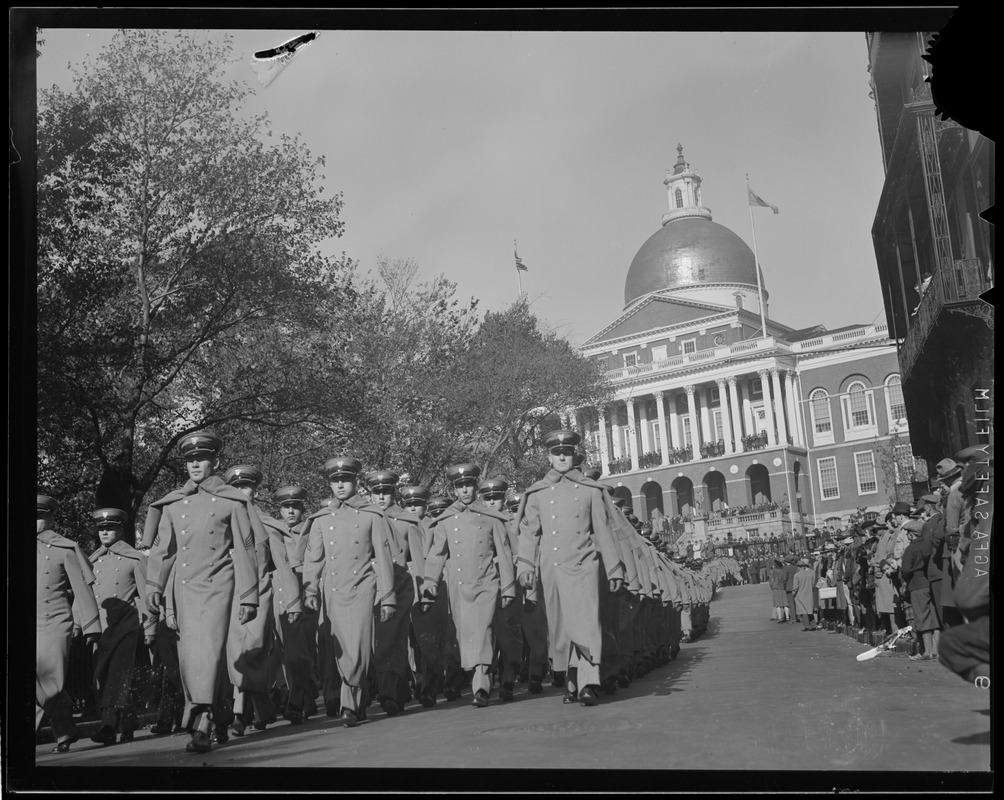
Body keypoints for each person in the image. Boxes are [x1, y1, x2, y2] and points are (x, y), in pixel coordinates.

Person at [145, 431, 260, 754]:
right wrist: (154, 587)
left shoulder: (231, 502)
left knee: (206, 655)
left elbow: (246, 548)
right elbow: (162, 552)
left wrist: (249, 596)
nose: (195, 464)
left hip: (218, 588)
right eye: (190, 460)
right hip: (183, 592)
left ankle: (202, 726)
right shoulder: (173, 505)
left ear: (216, 462)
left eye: (201, 459)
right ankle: (220, 716)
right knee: (191, 660)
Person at [514, 430, 625, 706]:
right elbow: (529, 533)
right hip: (553, 570)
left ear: (575, 454)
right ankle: (574, 680)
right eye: (556, 453)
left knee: (586, 623)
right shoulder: (538, 492)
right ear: (548, 457)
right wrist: (525, 566)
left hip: (585, 565)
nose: (561, 457)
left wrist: (614, 568)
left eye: (566, 452)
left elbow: (604, 531)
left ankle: (589, 682)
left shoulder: (590, 490)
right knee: (563, 628)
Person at [301, 457, 397, 728]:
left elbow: (384, 558)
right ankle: (358, 699)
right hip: (333, 593)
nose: (340, 485)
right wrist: (310, 590)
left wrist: (388, 596)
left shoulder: (371, 515)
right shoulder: (321, 519)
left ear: (356, 482)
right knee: (343, 651)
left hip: (363, 589)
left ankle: (349, 705)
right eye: (335, 481)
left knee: (358, 648)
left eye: (345, 479)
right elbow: (313, 559)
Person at [422, 464, 516, 708]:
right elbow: (436, 553)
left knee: (483, 631)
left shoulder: (491, 517)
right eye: (459, 486)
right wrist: (430, 581)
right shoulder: (445, 520)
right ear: (454, 489)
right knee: (467, 636)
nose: (465, 490)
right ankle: (480, 678)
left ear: (476, 485)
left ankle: (481, 688)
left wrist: (508, 587)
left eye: (469, 485)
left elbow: (504, 553)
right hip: (459, 587)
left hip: (486, 582)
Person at [223, 465, 303, 735]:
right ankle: (258, 708)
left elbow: (282, 565)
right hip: (229, 597)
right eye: (237, 487)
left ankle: (241, 713)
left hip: (260, 596)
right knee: (236, 655)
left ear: (255, 491)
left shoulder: (268, 525)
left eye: (246, 487)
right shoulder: (221, 521)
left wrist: (293, 602)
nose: (242, 492)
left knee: (252, 653)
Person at [36, 495, 102, 753]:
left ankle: (62, 733)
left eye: (41, 516)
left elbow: (82, 589)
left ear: (51, 518)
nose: (36, 522)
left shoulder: (64, 549)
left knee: (51, 680)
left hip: (54, 623)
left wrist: (92, 625)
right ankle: (67, 729)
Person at [87, 507, 156, 745]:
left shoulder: (135, 559)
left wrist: (150, 629)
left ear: (120, 529)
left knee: (117, 675)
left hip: (126, 627)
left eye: (110, 528)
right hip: (101, 630)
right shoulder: (92, 561)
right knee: (102, 678)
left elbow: (147, 596)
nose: (105, 533)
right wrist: (81, 625)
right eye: (101, 529)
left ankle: (108, 726)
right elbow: (85, 597)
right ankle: (128, 721)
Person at [367, 470, 422, 716]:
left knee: (391, 640)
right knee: (379, 642)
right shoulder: (365, 518)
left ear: (393, 493)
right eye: (376, 493)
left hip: (399, 587)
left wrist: (423, 595)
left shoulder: (407, 522)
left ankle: (389, 693)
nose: (381, 497)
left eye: (385, 492)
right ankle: (398, 691)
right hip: (369, 589)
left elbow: (419, 562)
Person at [269, 485, 318, 722]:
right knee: (285, 652)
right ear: (279, 510)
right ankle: (305, 699)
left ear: (302, 509)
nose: (290, 512)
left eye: (295, 507)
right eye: (286, 507)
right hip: (280, 596)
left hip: (304, 592)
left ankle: (298, 699)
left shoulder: (310, 531)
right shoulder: (272, 532)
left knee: (300, 652)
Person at [480, 478, 522, 702]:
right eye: (487, 498)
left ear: (503, 500)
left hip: (508, 585)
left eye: (495, 498)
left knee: (507, 635)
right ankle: (485, 682)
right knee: (485, 635)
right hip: (483, 586)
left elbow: (519, 555)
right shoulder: (478, 522)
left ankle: (508, 678)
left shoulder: (510, 523)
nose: (491, 503)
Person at [792, 558, 816, 631]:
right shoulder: (810, 574)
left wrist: (793, 593)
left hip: (800, 594)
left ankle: (806, 626)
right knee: (810, 610)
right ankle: (813, 625)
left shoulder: (797, 575)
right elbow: (813, 583)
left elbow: (795, 587)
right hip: (809, 594)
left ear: (798, 567)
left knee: (803, 611)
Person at [768, 557, 789, 623]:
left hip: (776, 588)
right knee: (785, 603)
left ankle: (780, 617)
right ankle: (787, 616)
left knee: (778, 604)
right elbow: (785, 579)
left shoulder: (773, 571)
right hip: (783, 587)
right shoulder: (784, 570)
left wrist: (772, 587)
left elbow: (771, 580)